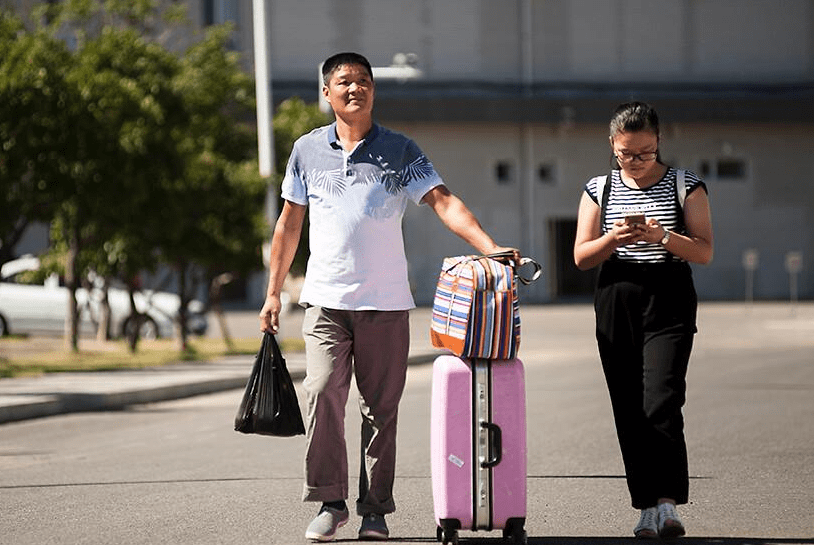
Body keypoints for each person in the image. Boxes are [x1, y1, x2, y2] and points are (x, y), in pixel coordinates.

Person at [259, 52, 518, 542]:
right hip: (325, 301)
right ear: (326, 93)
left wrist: (489, 247)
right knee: (321, 394)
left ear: (373, 90)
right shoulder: (306, 150)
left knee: (380, 409)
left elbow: (442, 200)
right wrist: (274, 293)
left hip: (385, 302)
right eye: (343, 82)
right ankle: (331, 504)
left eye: (362, 81)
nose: (354, 88)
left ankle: (374, 510)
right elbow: (289, 224)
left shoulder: (400, 150)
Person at [573, 102, 714, 539]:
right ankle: (646, 507)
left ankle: (669, 503)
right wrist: (614, 237)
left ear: (659, 143)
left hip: (668, 292)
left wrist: (662, 236)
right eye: (626, 154)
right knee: (628, 405)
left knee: (662, 398)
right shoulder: (599, 187)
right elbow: (580, 256)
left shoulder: (685, 185)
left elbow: (704, 250)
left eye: (645, 153)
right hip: (617, 292)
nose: (634, 162)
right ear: (612, 146)